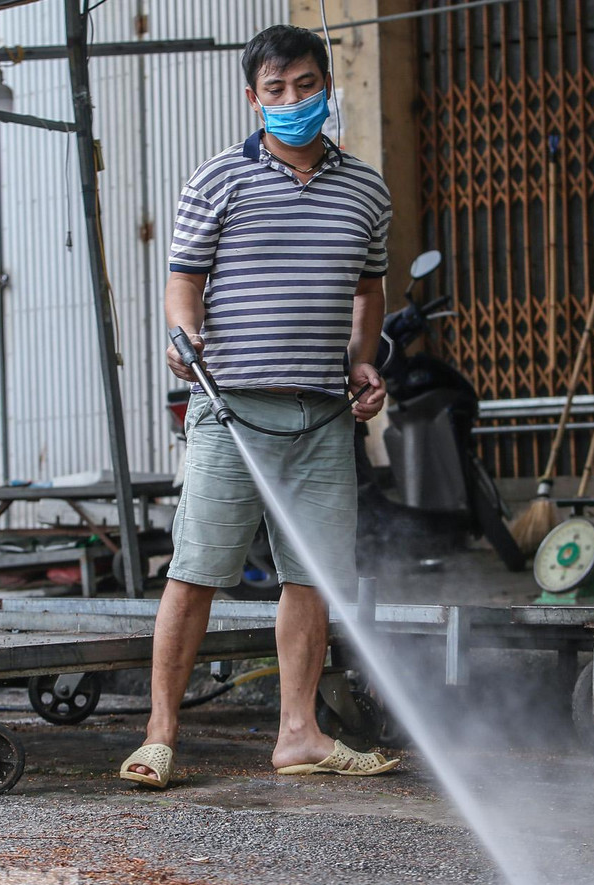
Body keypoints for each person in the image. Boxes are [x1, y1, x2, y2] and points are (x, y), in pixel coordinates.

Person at [119, 24, 399, 787]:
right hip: (231, 413)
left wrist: (362, 360)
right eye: (274, 90)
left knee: (310, 577)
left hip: (319, 417)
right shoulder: (216, 181)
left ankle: (299, 733)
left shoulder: (366, 190)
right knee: (196, 569)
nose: (292, 101)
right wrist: (184, 331)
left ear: (327, 88)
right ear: (253, 99)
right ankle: (159, 734)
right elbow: (184, 280)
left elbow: (370, 288)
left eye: (305, 86)